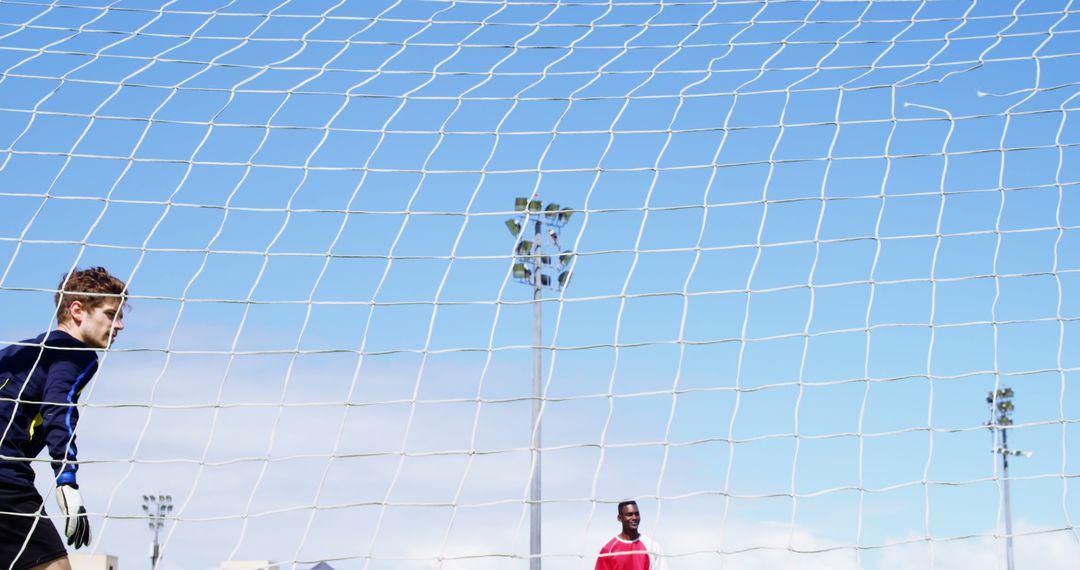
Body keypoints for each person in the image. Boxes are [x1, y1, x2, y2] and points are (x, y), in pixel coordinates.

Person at [0, 267, 127, 570]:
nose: (120, 325)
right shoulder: (75, 353)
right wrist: (66, 478)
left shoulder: (15, 353)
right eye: (112, 314)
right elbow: (60, 405)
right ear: (77, 310)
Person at [595, 500, 667, 570]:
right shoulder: (608, 550)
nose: (634, 518)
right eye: (629, 514)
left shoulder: (653, 547)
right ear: (619, 518)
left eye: (636, 514)